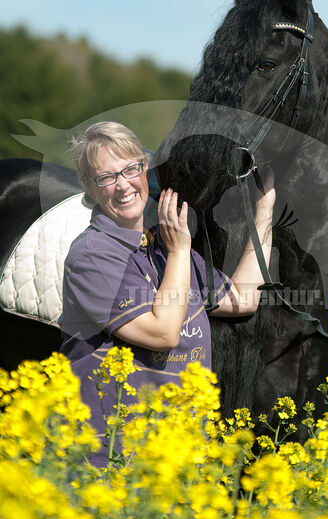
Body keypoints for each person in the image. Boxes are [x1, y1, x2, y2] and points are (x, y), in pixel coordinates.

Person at [60, 121, 275, 466]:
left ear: (145, 171)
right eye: (106, 177)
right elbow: (163, 333)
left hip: (178, 457)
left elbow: (243, 298)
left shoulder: (164, 247)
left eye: (131, 169)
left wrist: (265, 206)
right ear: (89, 186)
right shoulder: (93, 255)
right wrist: (179, 252)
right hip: (111, 458)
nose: (123, 186)